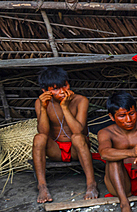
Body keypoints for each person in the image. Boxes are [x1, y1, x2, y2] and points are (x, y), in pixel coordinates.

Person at [32, 67, 99, 203]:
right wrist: (43, 108)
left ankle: (91, 184)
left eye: (64, 86)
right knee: (38, 138)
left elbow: (78, 131)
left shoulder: (81, 100)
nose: (62, 91)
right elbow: (43, 132)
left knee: (77, 137)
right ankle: (42, 186)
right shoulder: (40, 103)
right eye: (55, 89)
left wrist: (65, 107)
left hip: (77, 149)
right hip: (55, 150)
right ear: (45, 91)